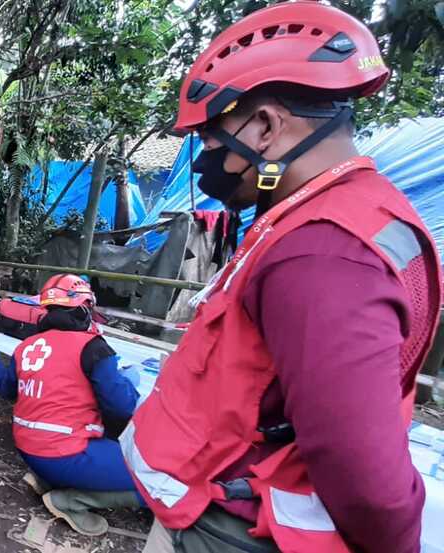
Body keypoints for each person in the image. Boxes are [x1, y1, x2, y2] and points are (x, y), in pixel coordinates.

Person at [122, 4, 442, 553]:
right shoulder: (330, 218)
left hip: (238, 529)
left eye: (211, 139)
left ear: (266, 127)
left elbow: (362, 473)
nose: (206, 160)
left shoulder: (325, 254)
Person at [0, 274, 143, 536]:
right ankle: (71, 501)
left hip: (27, 448)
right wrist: (127, 382)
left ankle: (45, 479)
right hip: (64, 453)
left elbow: (6, 389)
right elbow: (121, 407)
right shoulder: (93, 347)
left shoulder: (27, 346)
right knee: (154, 476)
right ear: (84, 308)